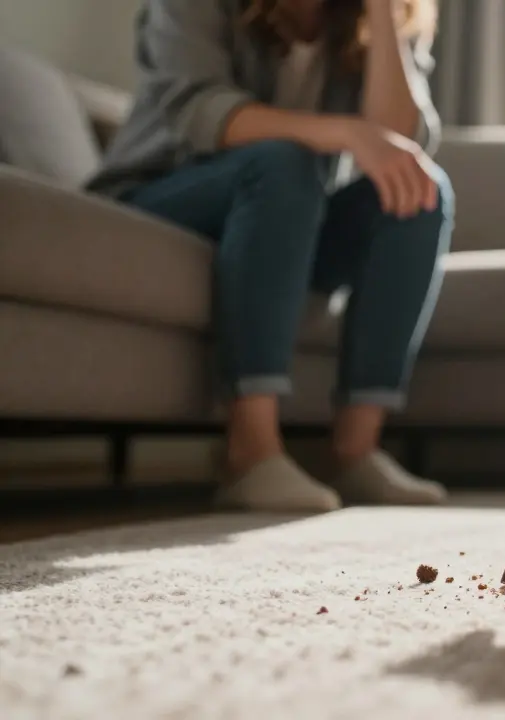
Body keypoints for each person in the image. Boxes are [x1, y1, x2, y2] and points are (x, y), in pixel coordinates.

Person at [86, 0, 452, 513]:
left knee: (421, 194)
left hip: (287, 215)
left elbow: (402, 142)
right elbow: (201, 111)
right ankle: (249, 453)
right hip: (165, 193)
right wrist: (345, 133)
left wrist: (383, 14)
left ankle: (354, 451)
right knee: (284, 163)